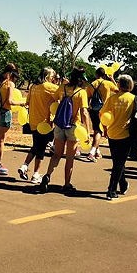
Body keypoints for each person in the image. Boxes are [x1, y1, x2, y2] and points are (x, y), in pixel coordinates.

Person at [38, 67, 89, 195]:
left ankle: (47, 175)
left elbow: (53, 101)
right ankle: (66, 184)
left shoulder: (63, 88)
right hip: (73, 126)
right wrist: (87, 131)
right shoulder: (81, 92)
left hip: (59, 125)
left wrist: (49, 119)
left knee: (56, 155)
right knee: (70, 158)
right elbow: (84, 112)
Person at [99, 74, 137, 199]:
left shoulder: (112, 98)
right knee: (119, 163)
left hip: (112, 133)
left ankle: (123, 184)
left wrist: (104, 129)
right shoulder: (135, 99)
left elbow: (102, 113)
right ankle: (111, 190)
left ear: (119, 84)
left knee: (117, 162)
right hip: (127, 134)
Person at [18, 67, 58, 183]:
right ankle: (35, 174)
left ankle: (25, 166)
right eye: (52, 76)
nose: (53, 78)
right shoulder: (48, 86)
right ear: (47, 76)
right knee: (40, 149)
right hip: (44, 122)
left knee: (36, 146)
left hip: (33, 121)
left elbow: (27, 102)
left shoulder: (33, 87)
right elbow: (62, 92)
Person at [0, 64, 24, 175]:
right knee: (1, 141)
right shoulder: (10, 84)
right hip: (5, 113)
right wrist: (23, 103)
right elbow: (10, 101)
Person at [86, 67, 118, 162]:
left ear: (96, 74)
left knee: (97, 130)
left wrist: (88, 108)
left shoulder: (91, 84)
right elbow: (118, 91)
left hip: (93, 109)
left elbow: (88, 97)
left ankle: (96, 151)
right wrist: (112, 79)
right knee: (99, 131)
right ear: (104, 75)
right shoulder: (107, 83)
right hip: (105, 110)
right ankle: (92, 152)